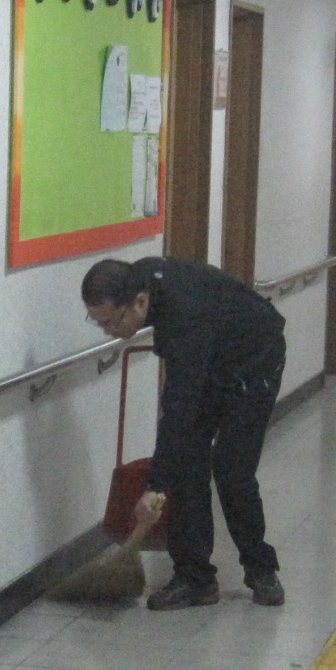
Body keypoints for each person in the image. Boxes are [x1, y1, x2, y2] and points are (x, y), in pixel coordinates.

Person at [82, 255, 288, 610]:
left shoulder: (185, 317)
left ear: (140, 303)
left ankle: (261, 569)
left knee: (232, 470)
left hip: (254, 363)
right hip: (210, 359)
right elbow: (183, 409)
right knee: (187, 464)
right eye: (98, 323)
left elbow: (180, 406)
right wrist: (163, 480)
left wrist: (153, 488)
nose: (109, 332)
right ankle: (195, 579)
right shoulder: (141, 278)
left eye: (111, 322)